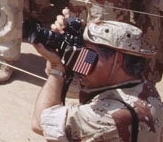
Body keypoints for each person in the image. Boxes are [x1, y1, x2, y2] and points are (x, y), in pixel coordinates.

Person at [32, 16, 163, 142]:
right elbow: (62, 89)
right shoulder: (143, 86)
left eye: (88, 56)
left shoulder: (113, 115)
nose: (81, 61)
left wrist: (57, 68)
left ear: (117, 60)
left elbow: (40, 123)